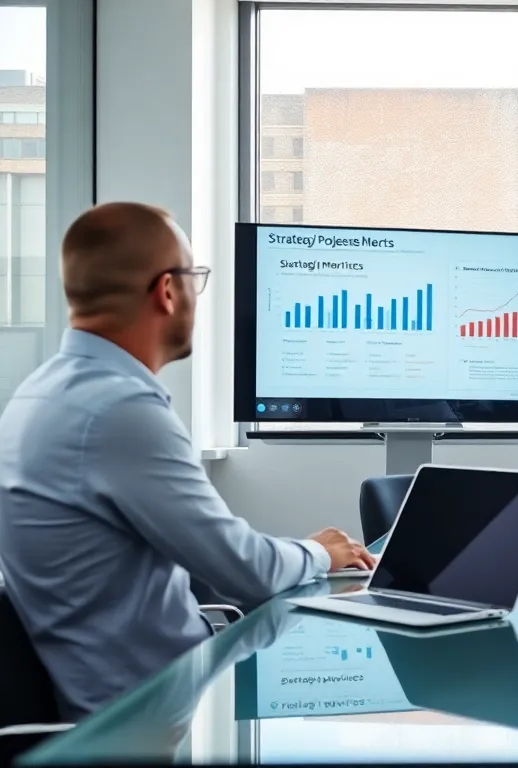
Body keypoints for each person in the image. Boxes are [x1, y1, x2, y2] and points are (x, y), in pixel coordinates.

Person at [0, 203, 374, 720]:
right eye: (195, 278)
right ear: (168, 291)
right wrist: (318, 551)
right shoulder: (119, 410)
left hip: (147, 690)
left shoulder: (39, 393)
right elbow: (246, 571)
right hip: (158, 716)